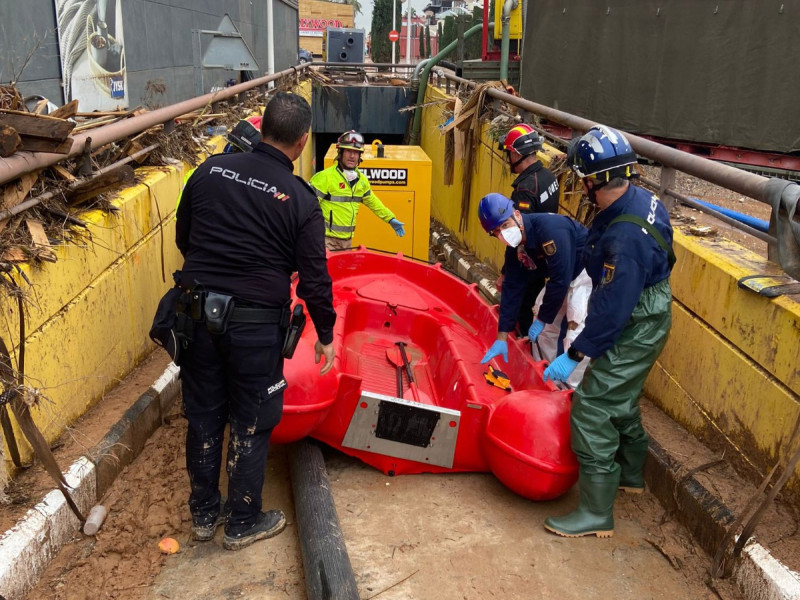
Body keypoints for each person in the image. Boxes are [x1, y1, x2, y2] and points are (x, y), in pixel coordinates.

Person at [175, 91, 336, 551]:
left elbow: (185, 238)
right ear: (303, 141)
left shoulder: (207, 172)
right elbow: (314, 279)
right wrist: (325, 334)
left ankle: (204, 516)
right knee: (252, 420)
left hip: (196, 317)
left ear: (261, 126)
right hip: (255, 328)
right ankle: (242, 521)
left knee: (203, 416)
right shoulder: (301, 201)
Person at [542, 125, 675, 538]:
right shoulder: (637, 201)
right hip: (647, 303)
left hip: (638, 317)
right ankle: (631, 475)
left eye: (583, 180)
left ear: (597, 180)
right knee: (620, 394)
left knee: (594, 404)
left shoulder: (625, 238)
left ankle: (597, 512)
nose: (581, 188)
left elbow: (613, 309)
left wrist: (575, 354)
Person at [477, 193, 591, 387]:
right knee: (543, 328)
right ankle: (545, 377)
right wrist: (502, 335)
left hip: (584, 273)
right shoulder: (515, 248)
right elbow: (512, 287)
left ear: (517, 215)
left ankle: (573, 391)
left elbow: (560, 281)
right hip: (561, 276)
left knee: (575, 328)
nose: (502, 234)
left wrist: (541, 319)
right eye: (496, 232)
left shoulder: (550, 230)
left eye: (505, 226)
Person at [498, 124, 561, 334]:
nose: (508, 158)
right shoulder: (548, 177)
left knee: (523, 311)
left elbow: (516, 236)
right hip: (546, 257)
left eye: (509, 153)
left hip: (529, 261)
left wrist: (505, 273)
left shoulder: (525, 189)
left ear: (517, 154)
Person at [309, 130, 405, 251]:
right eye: (348, 151)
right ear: (341, 152)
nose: (352, 156)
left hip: (347, 243)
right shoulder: (324, 177)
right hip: (326, 241)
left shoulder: (361, 181)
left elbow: (374, 203)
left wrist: (390, 218)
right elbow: (306, 206)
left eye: (356, 152)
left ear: (360, 156)